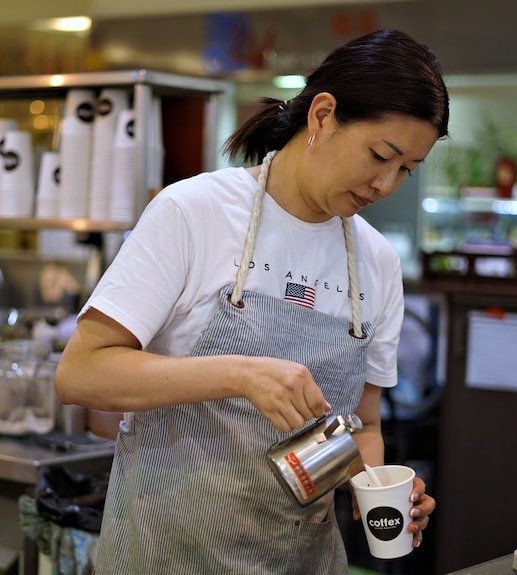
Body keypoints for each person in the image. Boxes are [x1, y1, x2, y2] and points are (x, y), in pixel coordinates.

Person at [55, 28, 449, 574]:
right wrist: (239, 374)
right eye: (380, 155)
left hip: (303, 561)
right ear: (322, 116)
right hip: (168, 556)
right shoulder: (194, 212)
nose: (386, 184)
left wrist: (379, 493)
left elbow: (365, 427)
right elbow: (80, 372)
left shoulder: (376, 262)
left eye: (407, 169)